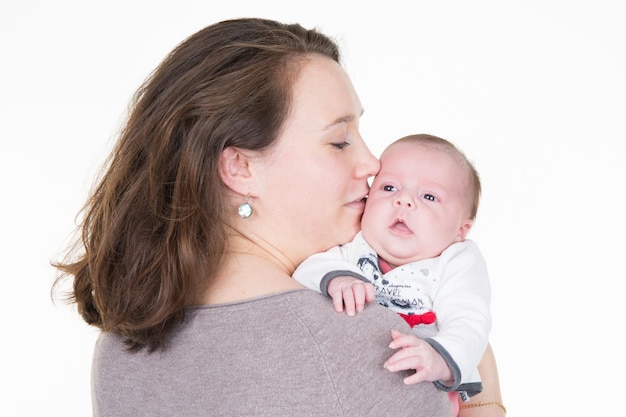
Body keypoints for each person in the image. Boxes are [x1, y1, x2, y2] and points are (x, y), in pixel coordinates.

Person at [51, 18, 454, 416]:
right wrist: (475, 371)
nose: (371, 163)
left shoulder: (121, 348)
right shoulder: (375, 345)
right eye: (339, 141)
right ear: (240, 168)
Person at [294, 134, 494, 414]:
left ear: (461, 229)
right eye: (389, 187)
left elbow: (470, 322)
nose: (403, 201)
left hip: (417, 391)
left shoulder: (456, 261)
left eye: (428, 196)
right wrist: (338, 278)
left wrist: (438, 358)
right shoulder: (355, 245)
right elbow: (305, 270)